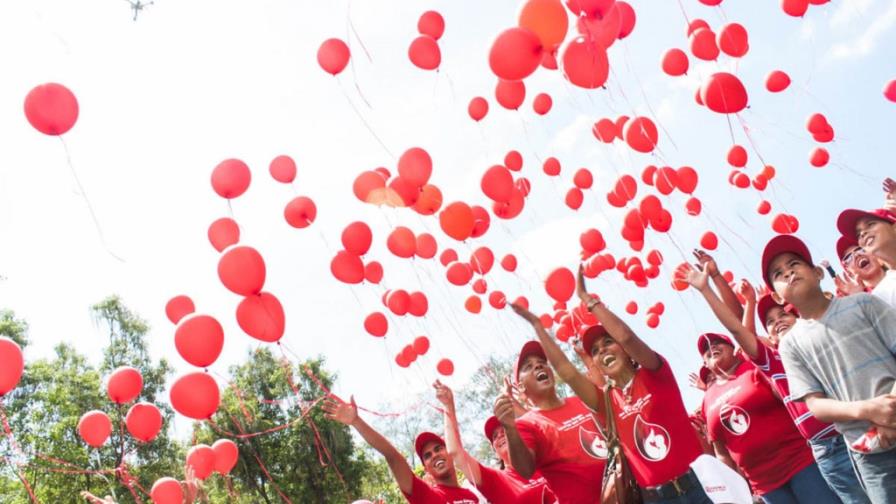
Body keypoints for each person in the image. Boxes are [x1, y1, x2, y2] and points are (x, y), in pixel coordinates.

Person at [509, 265, 713, 504]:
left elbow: (627, 337)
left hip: (700, 488)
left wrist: (588, 301)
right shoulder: (604, 400)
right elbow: (567, 371)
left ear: (625, 351)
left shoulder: (655, 373)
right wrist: (537, 326)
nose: (602, 349)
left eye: (608, 341)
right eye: (594, 350)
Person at [681, 255, 858, 503]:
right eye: (770, 323)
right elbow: (721, 450)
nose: (777, 324)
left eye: (782, 317)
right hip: (790, 471)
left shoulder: (765, 362)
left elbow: (739, 324)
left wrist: (724, 286)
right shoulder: (765, 366)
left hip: (818, 454)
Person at [762, 234, 896, 503]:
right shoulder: (791, 345)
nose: (788, 272)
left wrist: (892, 410)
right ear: (777, 295)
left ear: (817, 272)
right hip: (871, 454)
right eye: (778, 273)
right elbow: (816, 405)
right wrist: (867, 410)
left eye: (794, 263)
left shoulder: (863, 304)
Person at [492, 338, 606, 504]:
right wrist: (509, 428)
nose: (538, 366)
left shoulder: (581, 400)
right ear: (522, 387)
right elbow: (525, 470)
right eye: (528, 367)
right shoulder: (525, 424)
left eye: (541, 362)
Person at [322, 395, 480, 503]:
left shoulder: (473, 497)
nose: (434, 455)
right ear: (426, 468)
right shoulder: (425, 495)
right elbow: (392, 456)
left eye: (438, 449)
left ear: (450, 452)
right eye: (427, 455)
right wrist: (356, 421)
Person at [433, 379, 554, 503]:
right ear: (495, 452)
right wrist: (448, 405)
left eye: (504, 430)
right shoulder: (496, 479)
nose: (500, 435)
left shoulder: (541, 462)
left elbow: (546, 428)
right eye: (494, 436)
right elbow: (456, 452)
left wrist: (514, 403)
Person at [837, 208, 896, 305]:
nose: (863, 233)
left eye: (870, 224)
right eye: (858, 235)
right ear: (850, 274)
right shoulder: (881, 296)